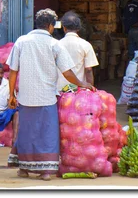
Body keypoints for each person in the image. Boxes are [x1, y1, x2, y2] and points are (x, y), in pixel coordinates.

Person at [6, 9, 95, 181]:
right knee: (46, 133)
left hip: (26, 97)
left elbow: (13, 71)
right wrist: (83, 83)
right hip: (46, 97)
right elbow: (67, 73)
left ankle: (24, 169)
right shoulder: (55, 45)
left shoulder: (21, 41)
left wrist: (11, 95)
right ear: (50, 26)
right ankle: (46, 171)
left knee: (26, 132)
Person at [56, 11, 99, 92]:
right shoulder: (85, 45)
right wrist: (90, 88)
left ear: (64, 28)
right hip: (79, 90)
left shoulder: (56, 45)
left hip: (60, 89)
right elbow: (88, 70)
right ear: (78, 29)